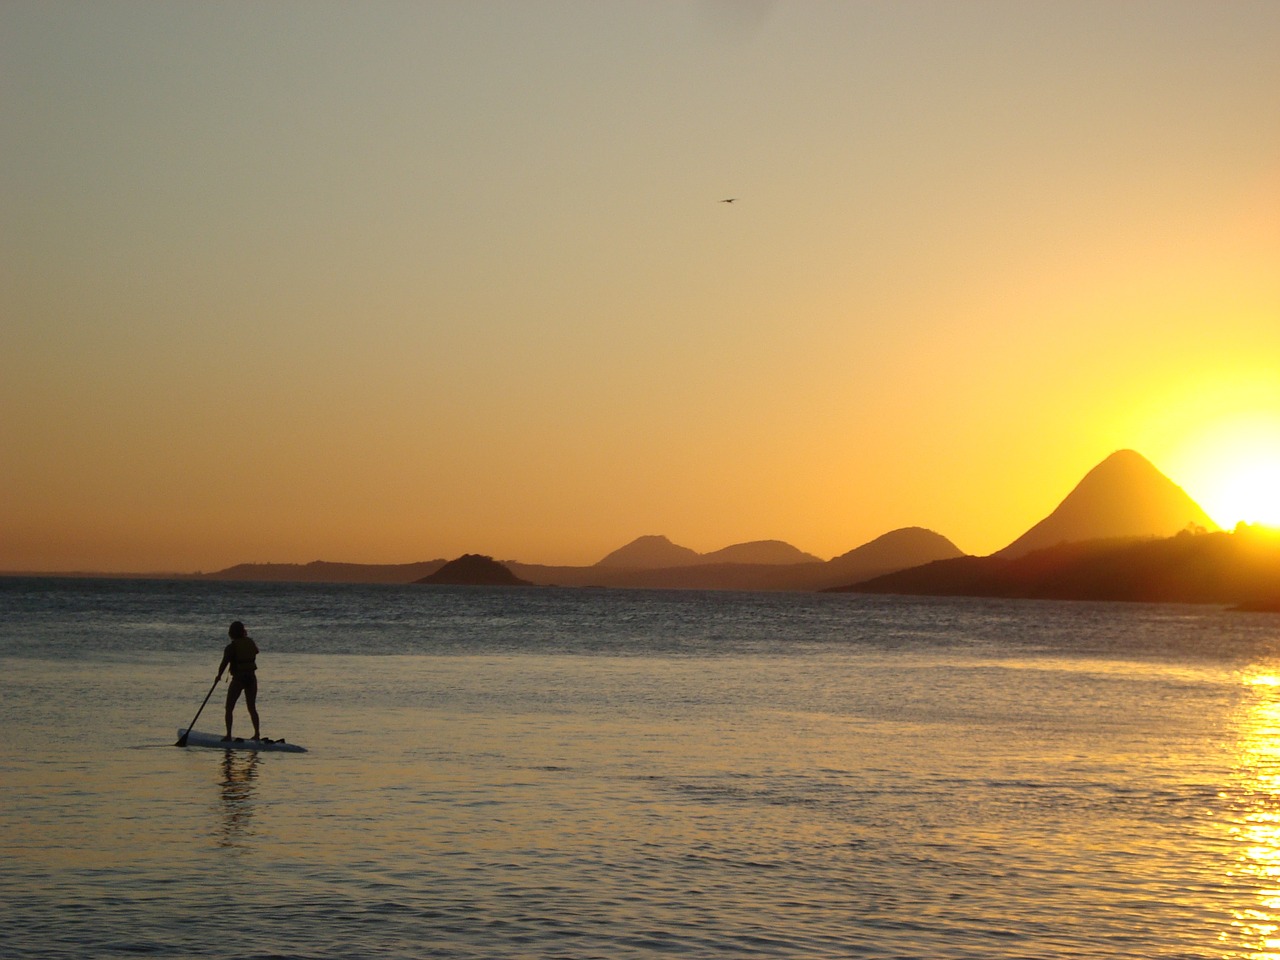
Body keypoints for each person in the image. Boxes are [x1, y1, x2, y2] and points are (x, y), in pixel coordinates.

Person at [217, 620, 261, 741]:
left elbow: (224, 663)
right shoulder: (250, 642)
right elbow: (256, 651)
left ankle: (229, 735)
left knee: (229, 708)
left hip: (239, 679)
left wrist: (218, 676)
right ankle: (257, 734)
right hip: (251, 678)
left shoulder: (231, 647)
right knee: (252, 707)